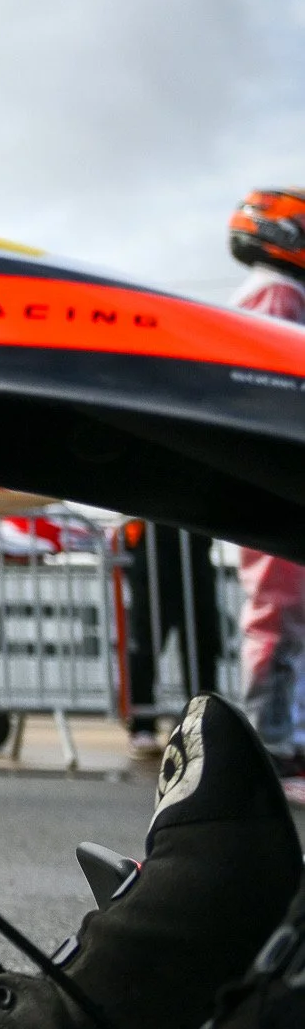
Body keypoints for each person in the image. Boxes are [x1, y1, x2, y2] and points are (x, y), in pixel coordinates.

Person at [227, 190, 305, 785]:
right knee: (281, 612)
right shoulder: (276, 294)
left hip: (275, 473)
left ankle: (282, 738)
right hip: (280, 474)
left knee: (286, 613)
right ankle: (274, 746)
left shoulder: (271, 292)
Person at [121, 519, 225, 758]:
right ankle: (143, 725)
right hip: (155, 551)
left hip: (194, 548)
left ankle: (202, 722)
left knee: (201, 643)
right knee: (146, 643)